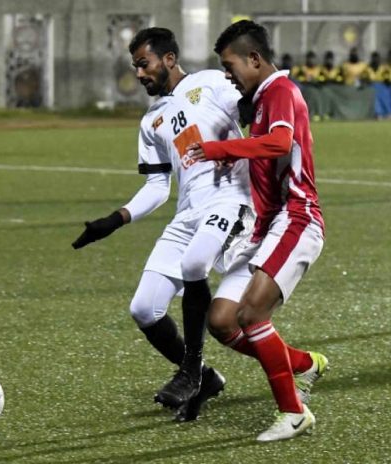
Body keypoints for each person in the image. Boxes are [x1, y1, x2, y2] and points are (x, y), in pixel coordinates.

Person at [71, 27, 254, 421]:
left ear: (168, 59)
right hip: (187, 212)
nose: (139, 73)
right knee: (144, 308)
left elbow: (252, 108)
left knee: (193, 266)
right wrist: (115, 219)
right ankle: (205, 377)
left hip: (230, 198)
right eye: (135, 65)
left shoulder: (210, 83)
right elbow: (157, 184)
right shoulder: (151, 120)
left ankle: (189, 371)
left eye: (143, 63)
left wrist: (246, 130)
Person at [185, 20, 328, 442]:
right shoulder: (261, 100)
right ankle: (303, 363)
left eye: (230, 66)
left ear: (254, 58)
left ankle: (293, 412)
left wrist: (221, 149)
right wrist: (242, 160)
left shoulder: (281, 91)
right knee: (223, 320)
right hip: (267, 227)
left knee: (251, 315)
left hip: (297, 218)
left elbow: (281, 144)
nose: (228, 75)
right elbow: (268, 154)